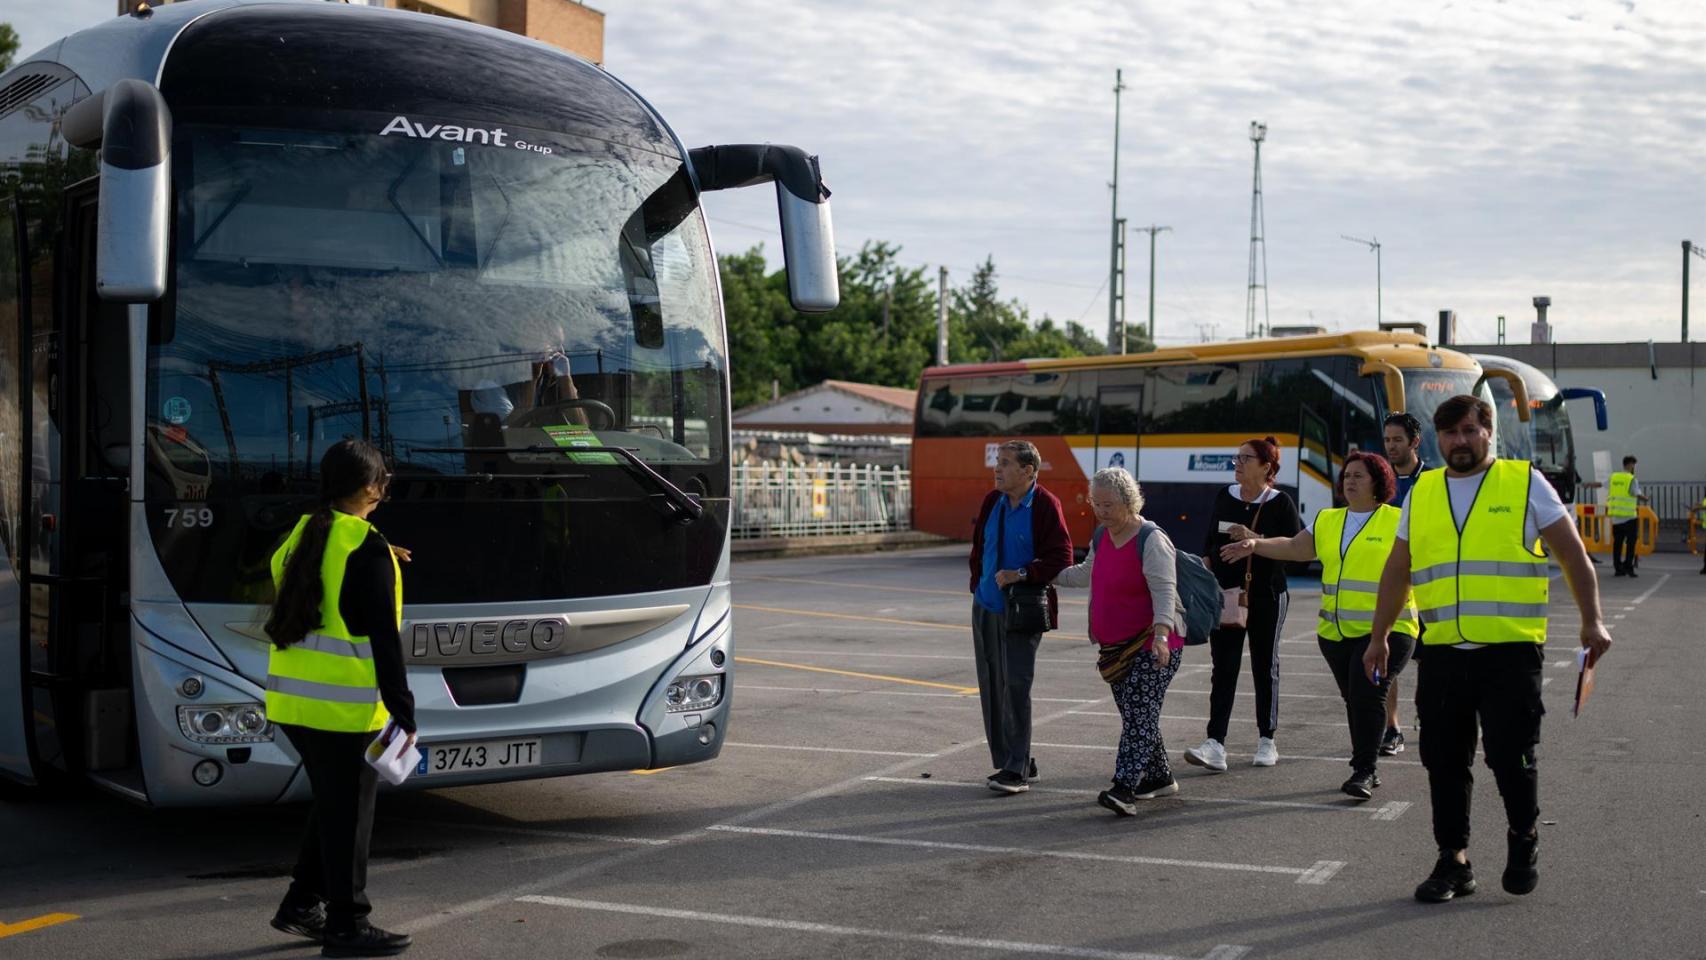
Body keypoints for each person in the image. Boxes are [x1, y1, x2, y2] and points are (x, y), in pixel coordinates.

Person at [1364, 395, 1612, 904]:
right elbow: (1398, 568)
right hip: (1444, 653)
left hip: (1510, 653)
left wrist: (1593, 621)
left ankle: (1524, 838)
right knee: (1443, 759)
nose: (1460, 441)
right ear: (1438, 438)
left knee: (1510, 756)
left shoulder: (1524, 483)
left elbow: (1572, 555)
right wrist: (1378, 635)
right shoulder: (1425, 491)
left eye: (1469, 431)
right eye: (1450, 433)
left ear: (1488, 432)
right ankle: (1453, 861)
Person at [265, 439, 417, 957]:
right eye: (383, 481)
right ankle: (348, 926)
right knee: (351, 816)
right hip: (343, 710)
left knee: (335, 805)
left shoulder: (304, 534)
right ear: (373, 488)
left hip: (292, 705)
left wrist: (380, 556)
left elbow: (320, 581)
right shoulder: (366, 547)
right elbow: (384, 640)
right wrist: (404, 713)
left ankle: (301, 904)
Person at [1220, 452, 1418, 800]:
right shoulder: (1328, 519)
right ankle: (1365, 764)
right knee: (1354, 699)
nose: (1351, 481)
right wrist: (1256, 543)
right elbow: (1295, 547)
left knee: (1367, 695)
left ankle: (1364, 771)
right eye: (1348, 476)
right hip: (1336, 633)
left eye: (1360, 475)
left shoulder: (1398, 521)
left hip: (1388, 631)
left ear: (1379, 482)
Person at [1054, 468, 1187, 813]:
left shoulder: (1151, 539)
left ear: (1129, 501)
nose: (1101, 510)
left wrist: (1160, 635)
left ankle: (1124, 788)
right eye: (1096, 503)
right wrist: (1044, 573)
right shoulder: (1102, 536)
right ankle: (1159, 778)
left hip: (1153, 644)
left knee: (1139, 715)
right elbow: (1086, 574)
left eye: (1108, 504)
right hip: (1115, 649)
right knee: (1136, 716)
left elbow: (1164, 591)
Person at [1184, 436, 1302, 772]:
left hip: (1266, 594)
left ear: (1266, 467)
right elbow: (1209, 542)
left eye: (1246, 458)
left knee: (1265, 667)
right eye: (1237, 457)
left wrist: (1254, 539)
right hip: (1226, 595)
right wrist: (1202, 572)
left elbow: (1295, 550)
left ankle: (1267, 740)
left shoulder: (1280, 503)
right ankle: (1215, 744)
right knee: (1224, 668)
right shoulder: (1225, 496)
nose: (1237, 463)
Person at [967, 439, 1072, 794]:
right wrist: (977, 586)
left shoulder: (1044, 505)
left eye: (1006, 462)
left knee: (1016, 685)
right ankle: (1018, 759)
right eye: (998, 461)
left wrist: (1022, 574)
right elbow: (979, 547)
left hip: (1022, 610)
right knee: (994, 687)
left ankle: (1016, 770)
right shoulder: (991, 501)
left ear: (1028, 471)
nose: (998, 468)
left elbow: (1061, 556)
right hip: (986, 606)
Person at [1380, 412, 1427, 757]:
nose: (1391, 446)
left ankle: (1430, 717)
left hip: (1429, 585)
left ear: (1414, 442)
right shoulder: (1381, 484)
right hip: (1393, 585)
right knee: (1389, 659)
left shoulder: (1434, 482)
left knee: (1431, 660)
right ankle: (1391, 728)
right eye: (1387, 440)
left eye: (1397, 439)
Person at [1607, 455, 1650, 577]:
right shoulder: (1632, 479)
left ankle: (1617, 568)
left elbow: (1602, 484)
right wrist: (1646, 498)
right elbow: (1636, 493)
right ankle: (1628, 567)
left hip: (1616, 517)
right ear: (1630, 465)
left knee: (1617, 544)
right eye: (1633, 465)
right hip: (1630, 517)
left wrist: (1589, 485)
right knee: (1631, 543)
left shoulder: (1614, 477)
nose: (1634, 467)